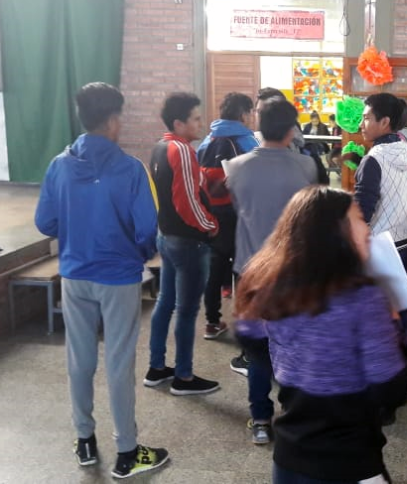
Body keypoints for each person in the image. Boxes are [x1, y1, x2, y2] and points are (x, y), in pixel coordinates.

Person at [35, 82, 169, 479]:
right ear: (112, 120)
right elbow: (147, 229)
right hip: (118, 277)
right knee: (119, 361)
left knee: (79, 359)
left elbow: (45, 222)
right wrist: (138, 254)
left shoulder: (59, 165)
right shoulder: (130, 169)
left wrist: (76, 232)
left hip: (74, 275)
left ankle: (85, 441)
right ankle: (126, 451)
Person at [235, 186, 407, 484]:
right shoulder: (364, 298)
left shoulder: (272, 285)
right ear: (336, 232)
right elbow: (392, 388)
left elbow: (247, 334)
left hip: (289, 457)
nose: (367, 229)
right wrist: (393, 326)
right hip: (349, 461)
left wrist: (293, 372)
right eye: (359, 218)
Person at [224, 97, 318, 444]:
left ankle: (261, 419)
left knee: (257, 349)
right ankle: (293, 414)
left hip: (250, 270)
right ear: (292, 129)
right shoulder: (306, 167)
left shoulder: (236, 167)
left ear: (258, 126)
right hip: (292, 270)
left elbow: (239, 208)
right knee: (293, 343)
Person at [146, 92, 220, 396]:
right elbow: (187, 202)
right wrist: (211, 226)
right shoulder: (182, 150)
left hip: (166, 236)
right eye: (196, 118)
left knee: (166, 302)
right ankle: (184, 377)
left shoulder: (159, 147)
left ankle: (156, 368)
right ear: (179, 123)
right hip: (188, 242)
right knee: (187, 310)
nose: (201, 123)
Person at [355, 93, 407, 356]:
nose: (361, 124)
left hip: (380, 248)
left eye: (366, 118)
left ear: (385, 122)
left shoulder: (374, 158)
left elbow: (362, 212)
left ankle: (381, 370)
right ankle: (401, 366)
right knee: (402, 313)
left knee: (377, 318)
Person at [196, 91, 259, 340]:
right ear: (243, 114)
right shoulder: (247, 141)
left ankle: (211, 322)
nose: (252, 117)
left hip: (213, 215)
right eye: (250, 113)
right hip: (241, 214)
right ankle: (244, 323)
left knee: (214, 268)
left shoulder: (206, 141)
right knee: (243, 267)